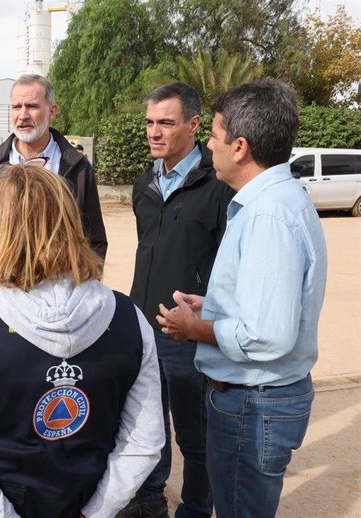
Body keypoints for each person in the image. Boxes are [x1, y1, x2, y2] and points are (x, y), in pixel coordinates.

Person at [0, 164, 165, 518]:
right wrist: (97, 510)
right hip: (89, 503)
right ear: (72, 222)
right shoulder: (129, 318)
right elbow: (143, 441)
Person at [156, 78, 327, 518]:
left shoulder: (268, 213)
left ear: (240, 147)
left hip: (254, 403)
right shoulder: (272, 202)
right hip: (256, 400)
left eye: (213, 135)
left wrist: (196, 328)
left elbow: (267, 335)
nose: (209, 146)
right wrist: (210, 306)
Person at [121, 83, 233, 518]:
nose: (154, 132)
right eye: (150, 122)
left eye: (166, 122)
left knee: (195, 435)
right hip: (141, 328)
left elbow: (229, 264)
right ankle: (151, 500)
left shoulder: (218, 184)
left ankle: (195, 508)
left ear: (193, 124)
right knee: (147, 427)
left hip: (187, 334)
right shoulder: (143, 183)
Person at [0, 74, 107, 287]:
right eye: (16, 107)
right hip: (1, 293)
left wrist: (84, 290)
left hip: (60, 295)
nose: (23, 115)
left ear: (52, 111)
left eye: (32, 106)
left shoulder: (76, 167)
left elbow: (94, 238)